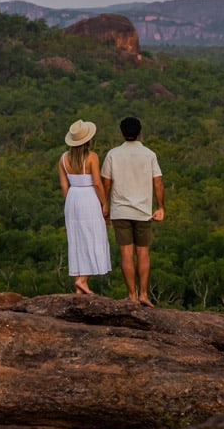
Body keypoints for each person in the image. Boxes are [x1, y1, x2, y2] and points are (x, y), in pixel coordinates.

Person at [101, 116, 164, 306]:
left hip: (120, 211)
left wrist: (104, 206)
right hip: (143, 211)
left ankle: (131, 296)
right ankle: (143, 294)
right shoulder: (149, 154)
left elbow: (106, 182)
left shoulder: (113, 154)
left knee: (126, 253)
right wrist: (160, 207)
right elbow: (158, 182)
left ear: (122, 133)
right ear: (139, 132)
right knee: (143, 253)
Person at [58, 119, 111, 294]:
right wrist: (104, 203)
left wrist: (70, 202)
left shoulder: (64, 159)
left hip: (72, 197)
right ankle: (82, 280)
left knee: (76, 239)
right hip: (88, 197)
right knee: (92, 236)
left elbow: (64, 185)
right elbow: (97, 183)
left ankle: (79, 284)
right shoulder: (92, 157)